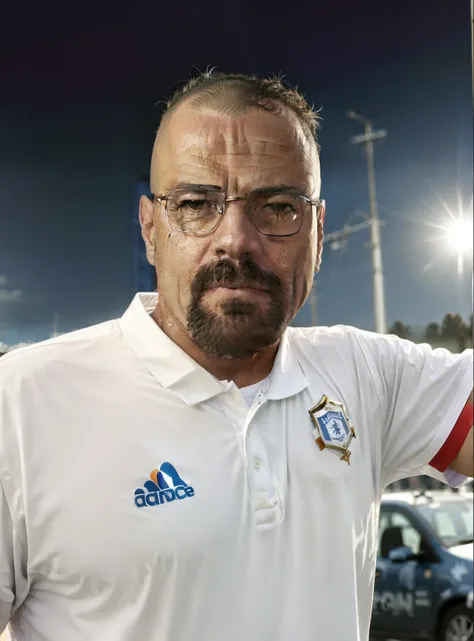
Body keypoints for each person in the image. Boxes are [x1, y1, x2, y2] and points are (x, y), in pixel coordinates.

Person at [0, 71, 472, 641]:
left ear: (318, 232)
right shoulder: (22, 406)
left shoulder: (367, 376)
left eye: (277, 207)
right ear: (151, 228)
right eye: (197, 203)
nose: (236, 239)